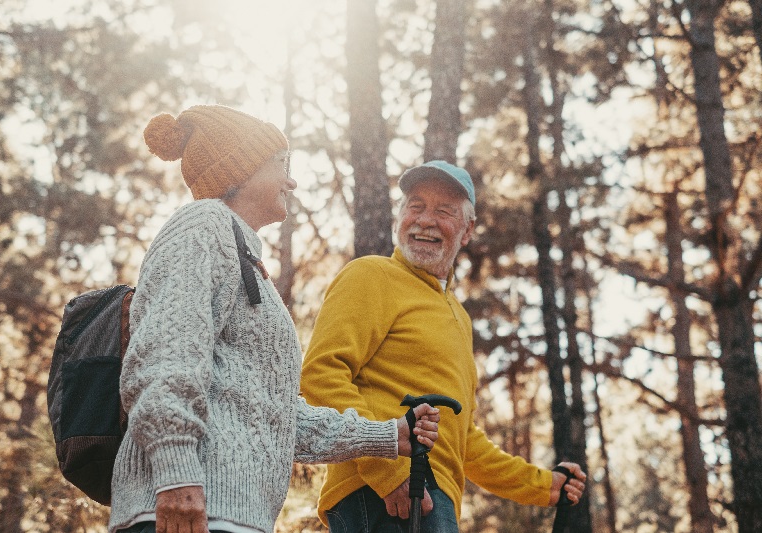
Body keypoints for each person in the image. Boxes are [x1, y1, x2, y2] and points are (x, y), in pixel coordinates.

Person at [108, 105, 441, 533]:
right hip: (183, 509)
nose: (291, 180)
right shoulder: (201, 225)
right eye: (280, 165)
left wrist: (385, 436)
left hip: (232, 516)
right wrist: (175, 473)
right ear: (241, 170)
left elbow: (276, 416)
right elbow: (165, 353)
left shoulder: (246, 259)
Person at [300, 160, 587, 532]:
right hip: (381, 493)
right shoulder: (372, 275)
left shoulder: (458, 316)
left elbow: (462, 436)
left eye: (443, 211)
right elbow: (320, 376)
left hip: (436, 499)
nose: (425, 220)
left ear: (467, 231)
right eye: (415, 206)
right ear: (400, 216)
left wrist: (543, 485)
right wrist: (389, 472)